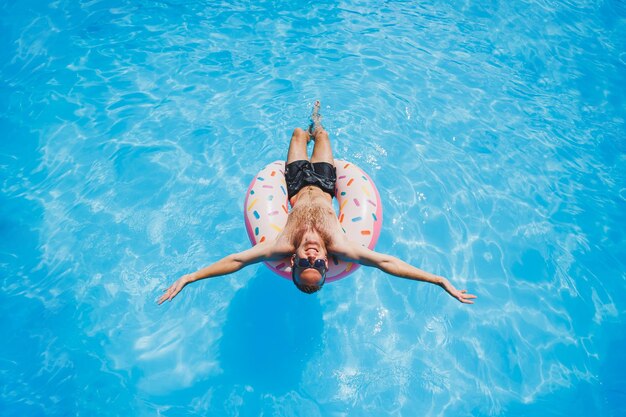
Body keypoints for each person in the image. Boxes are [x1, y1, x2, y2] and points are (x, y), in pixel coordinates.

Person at [158, 101, 476, 304]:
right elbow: (386, 263)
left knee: (298, 134)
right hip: (325, 183)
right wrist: (438, 280)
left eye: (307, 264)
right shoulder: (338, 244)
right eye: (318, 265)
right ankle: (317, 121)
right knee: (321, 137)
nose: (313, 258)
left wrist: (190, 277)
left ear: (293, 263)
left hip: (296, 184)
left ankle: (309, 122)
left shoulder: (283, 244)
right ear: (327, 264)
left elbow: (238, 261)